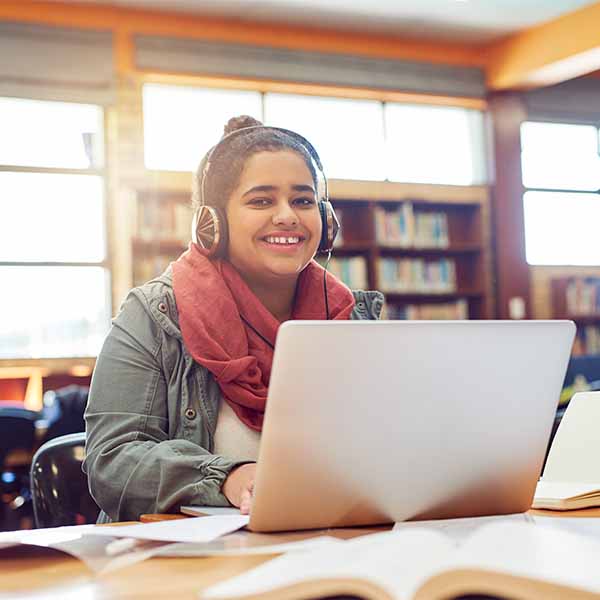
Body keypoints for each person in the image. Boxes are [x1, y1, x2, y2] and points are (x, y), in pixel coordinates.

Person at [83, 115, 384, 523]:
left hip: (325, 542)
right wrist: (226, 477)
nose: (287, 216)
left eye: (303, 200)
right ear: (212, 224)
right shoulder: (154, 316)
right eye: (261, 201)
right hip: (186, 567)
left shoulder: (351, 319)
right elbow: (113, 459)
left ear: (326, 220)